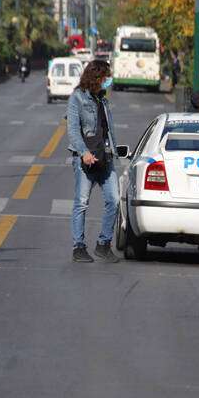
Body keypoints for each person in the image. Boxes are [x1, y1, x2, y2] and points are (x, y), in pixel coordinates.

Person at [67, 60, 120, 263]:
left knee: (114, 199)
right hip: (86, 160)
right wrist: (84, 153)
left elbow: (107, 130)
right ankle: (78, 246)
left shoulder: (103, 100)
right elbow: (73, 130)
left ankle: (103, 244)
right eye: (107, 76)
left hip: (105, 158)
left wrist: (115, 151)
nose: (109, 80)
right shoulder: (77, 99)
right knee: (81, 203)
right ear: (97, 77)